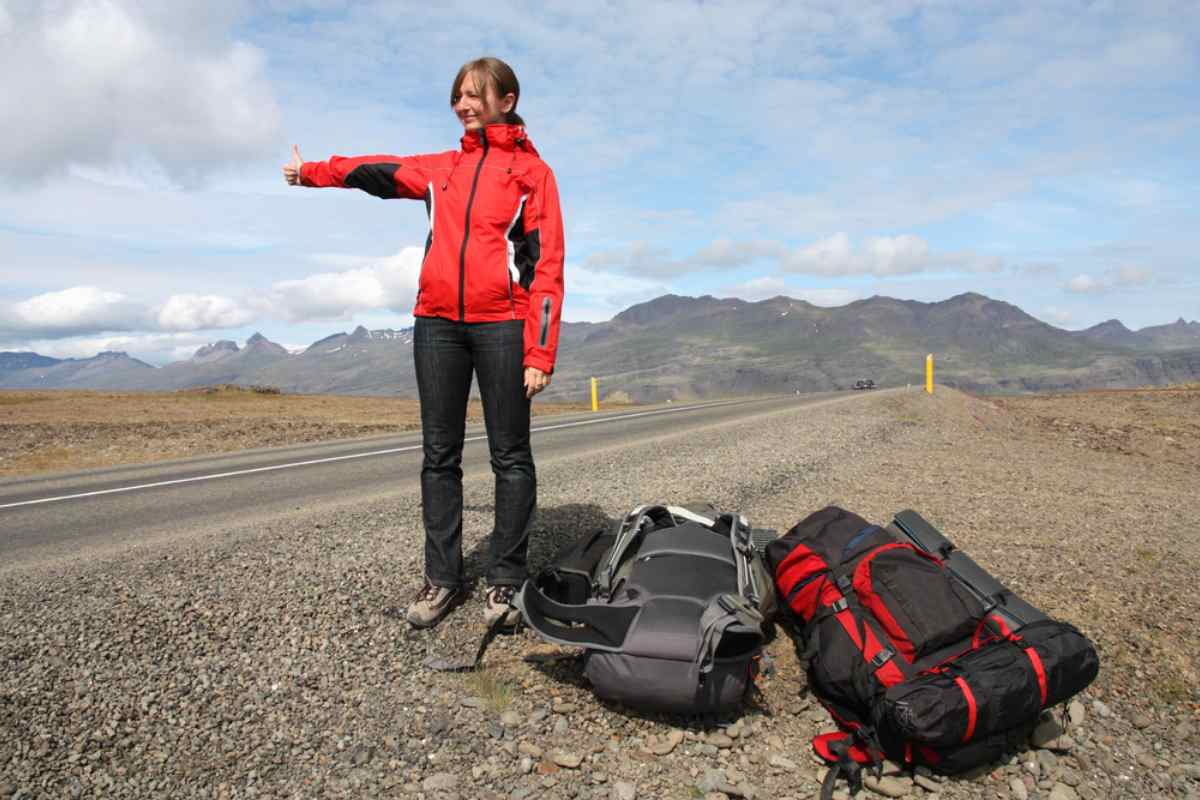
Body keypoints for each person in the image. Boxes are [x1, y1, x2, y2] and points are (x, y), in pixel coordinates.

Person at [283, 57, 564, 629]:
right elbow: (375, 170)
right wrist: (313, 171)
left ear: (506, 100)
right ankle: (442, 580)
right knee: (440, 458)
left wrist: (539, 352)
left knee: (511, 457)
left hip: (503, 325)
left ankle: (506, 581)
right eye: (458, 96)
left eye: (475, 95)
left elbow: (547, 268)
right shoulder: (443, 169)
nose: (463, 105)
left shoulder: (532, 176)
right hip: (436, 324)